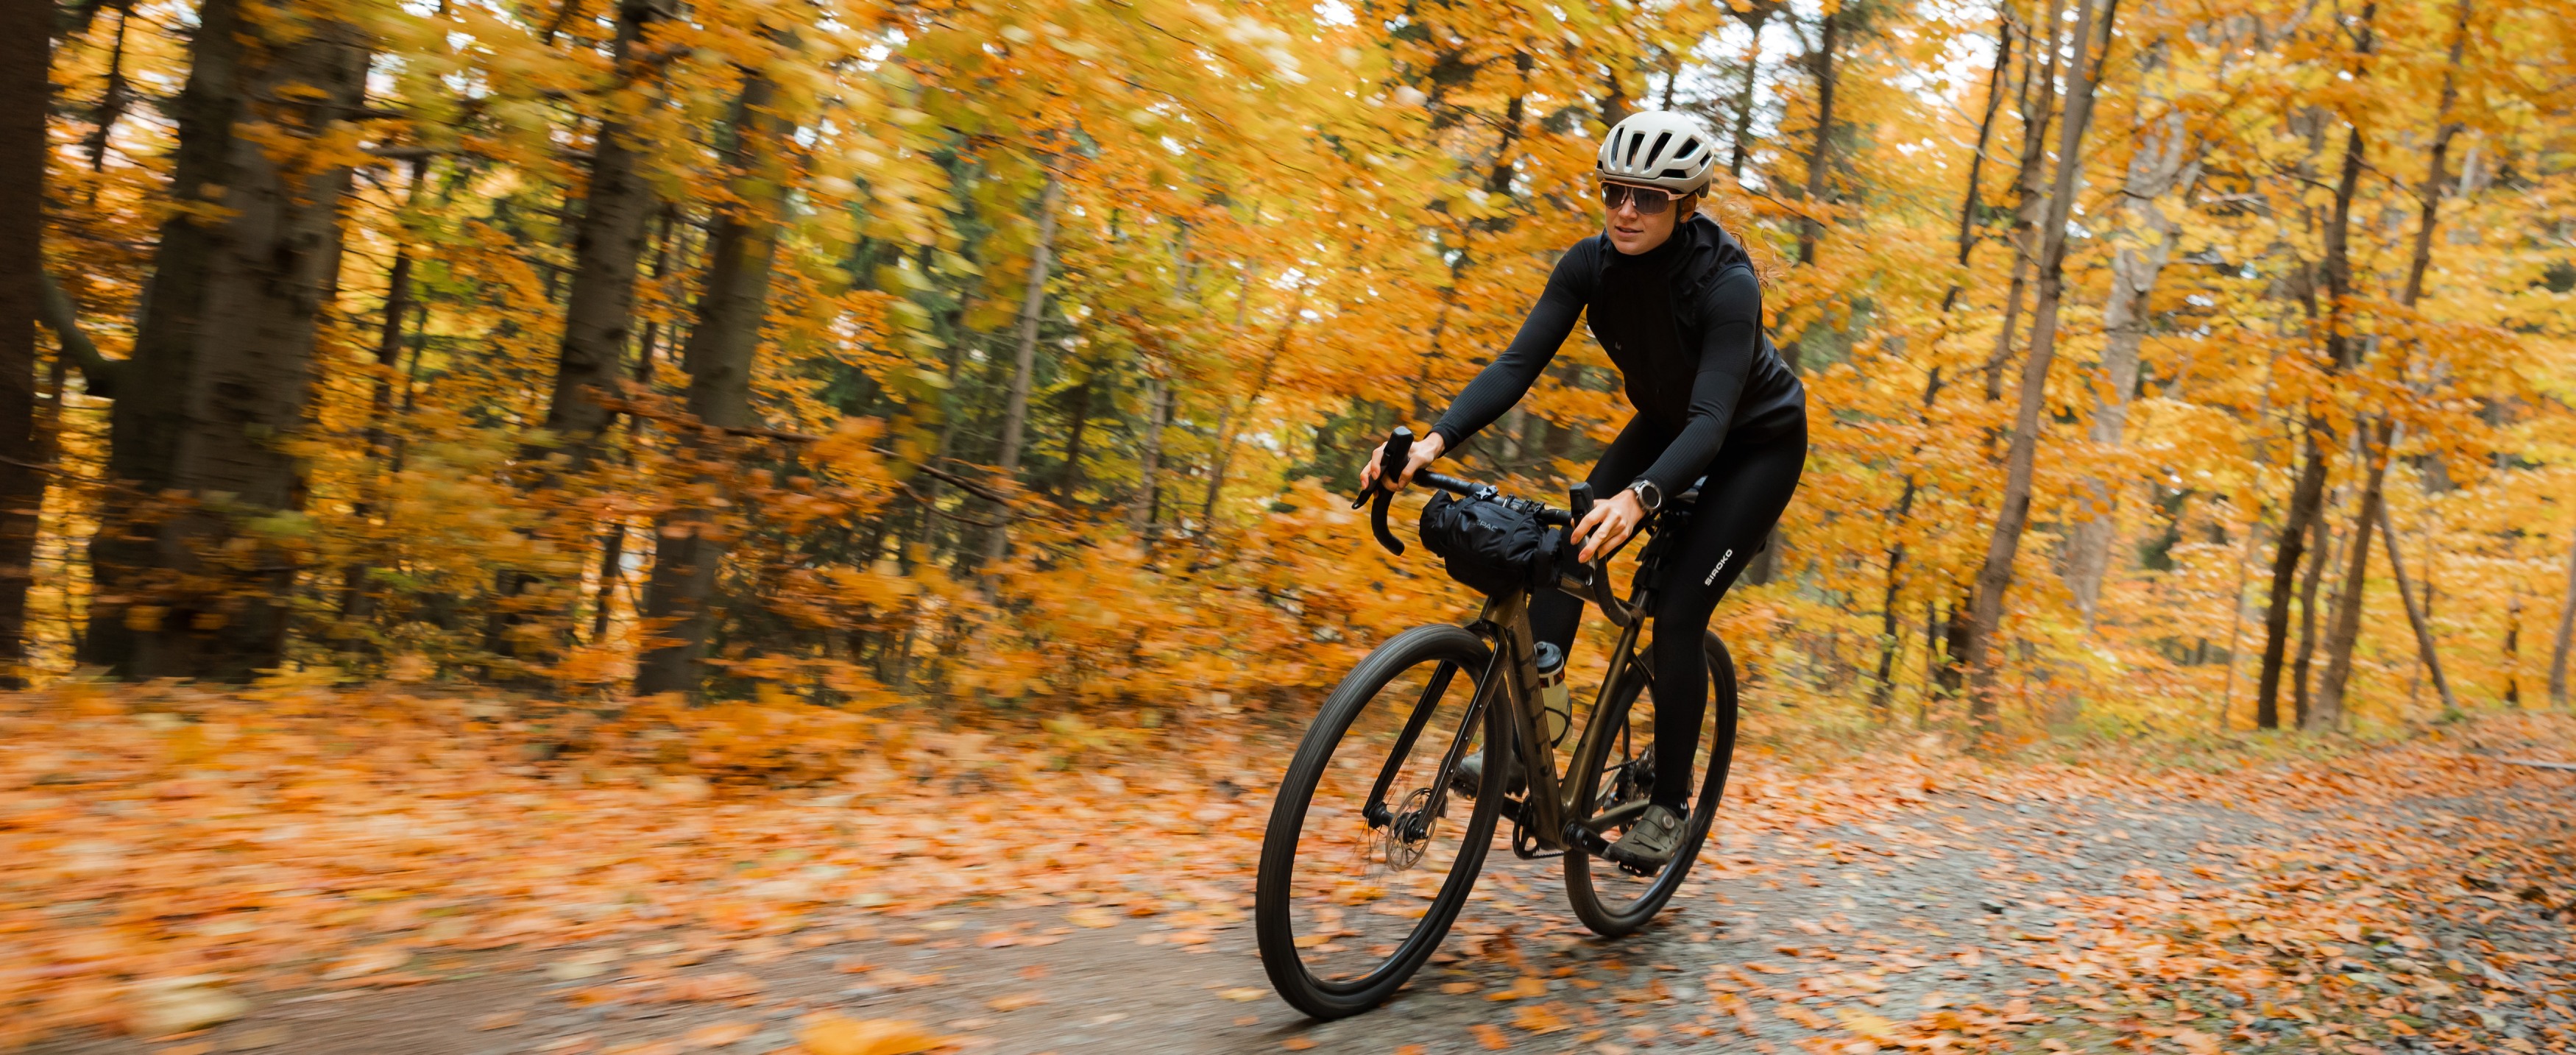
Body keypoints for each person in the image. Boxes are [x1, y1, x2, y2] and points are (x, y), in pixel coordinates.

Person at [1357, 110, 1808, 868]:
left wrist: (1638, 499)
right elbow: (1514, 367)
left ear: (1687, 203)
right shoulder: (1587, 265)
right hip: (1668, 423)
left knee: (1675, 619)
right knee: (1567, 539)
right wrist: (1430, 441)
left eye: (1650, 198)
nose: (1627, 210)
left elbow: (1709, 422)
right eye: (1614, 192)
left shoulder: (1725, 282)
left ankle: (1668, 804)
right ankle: (1541, 721)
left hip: (1752, 444)